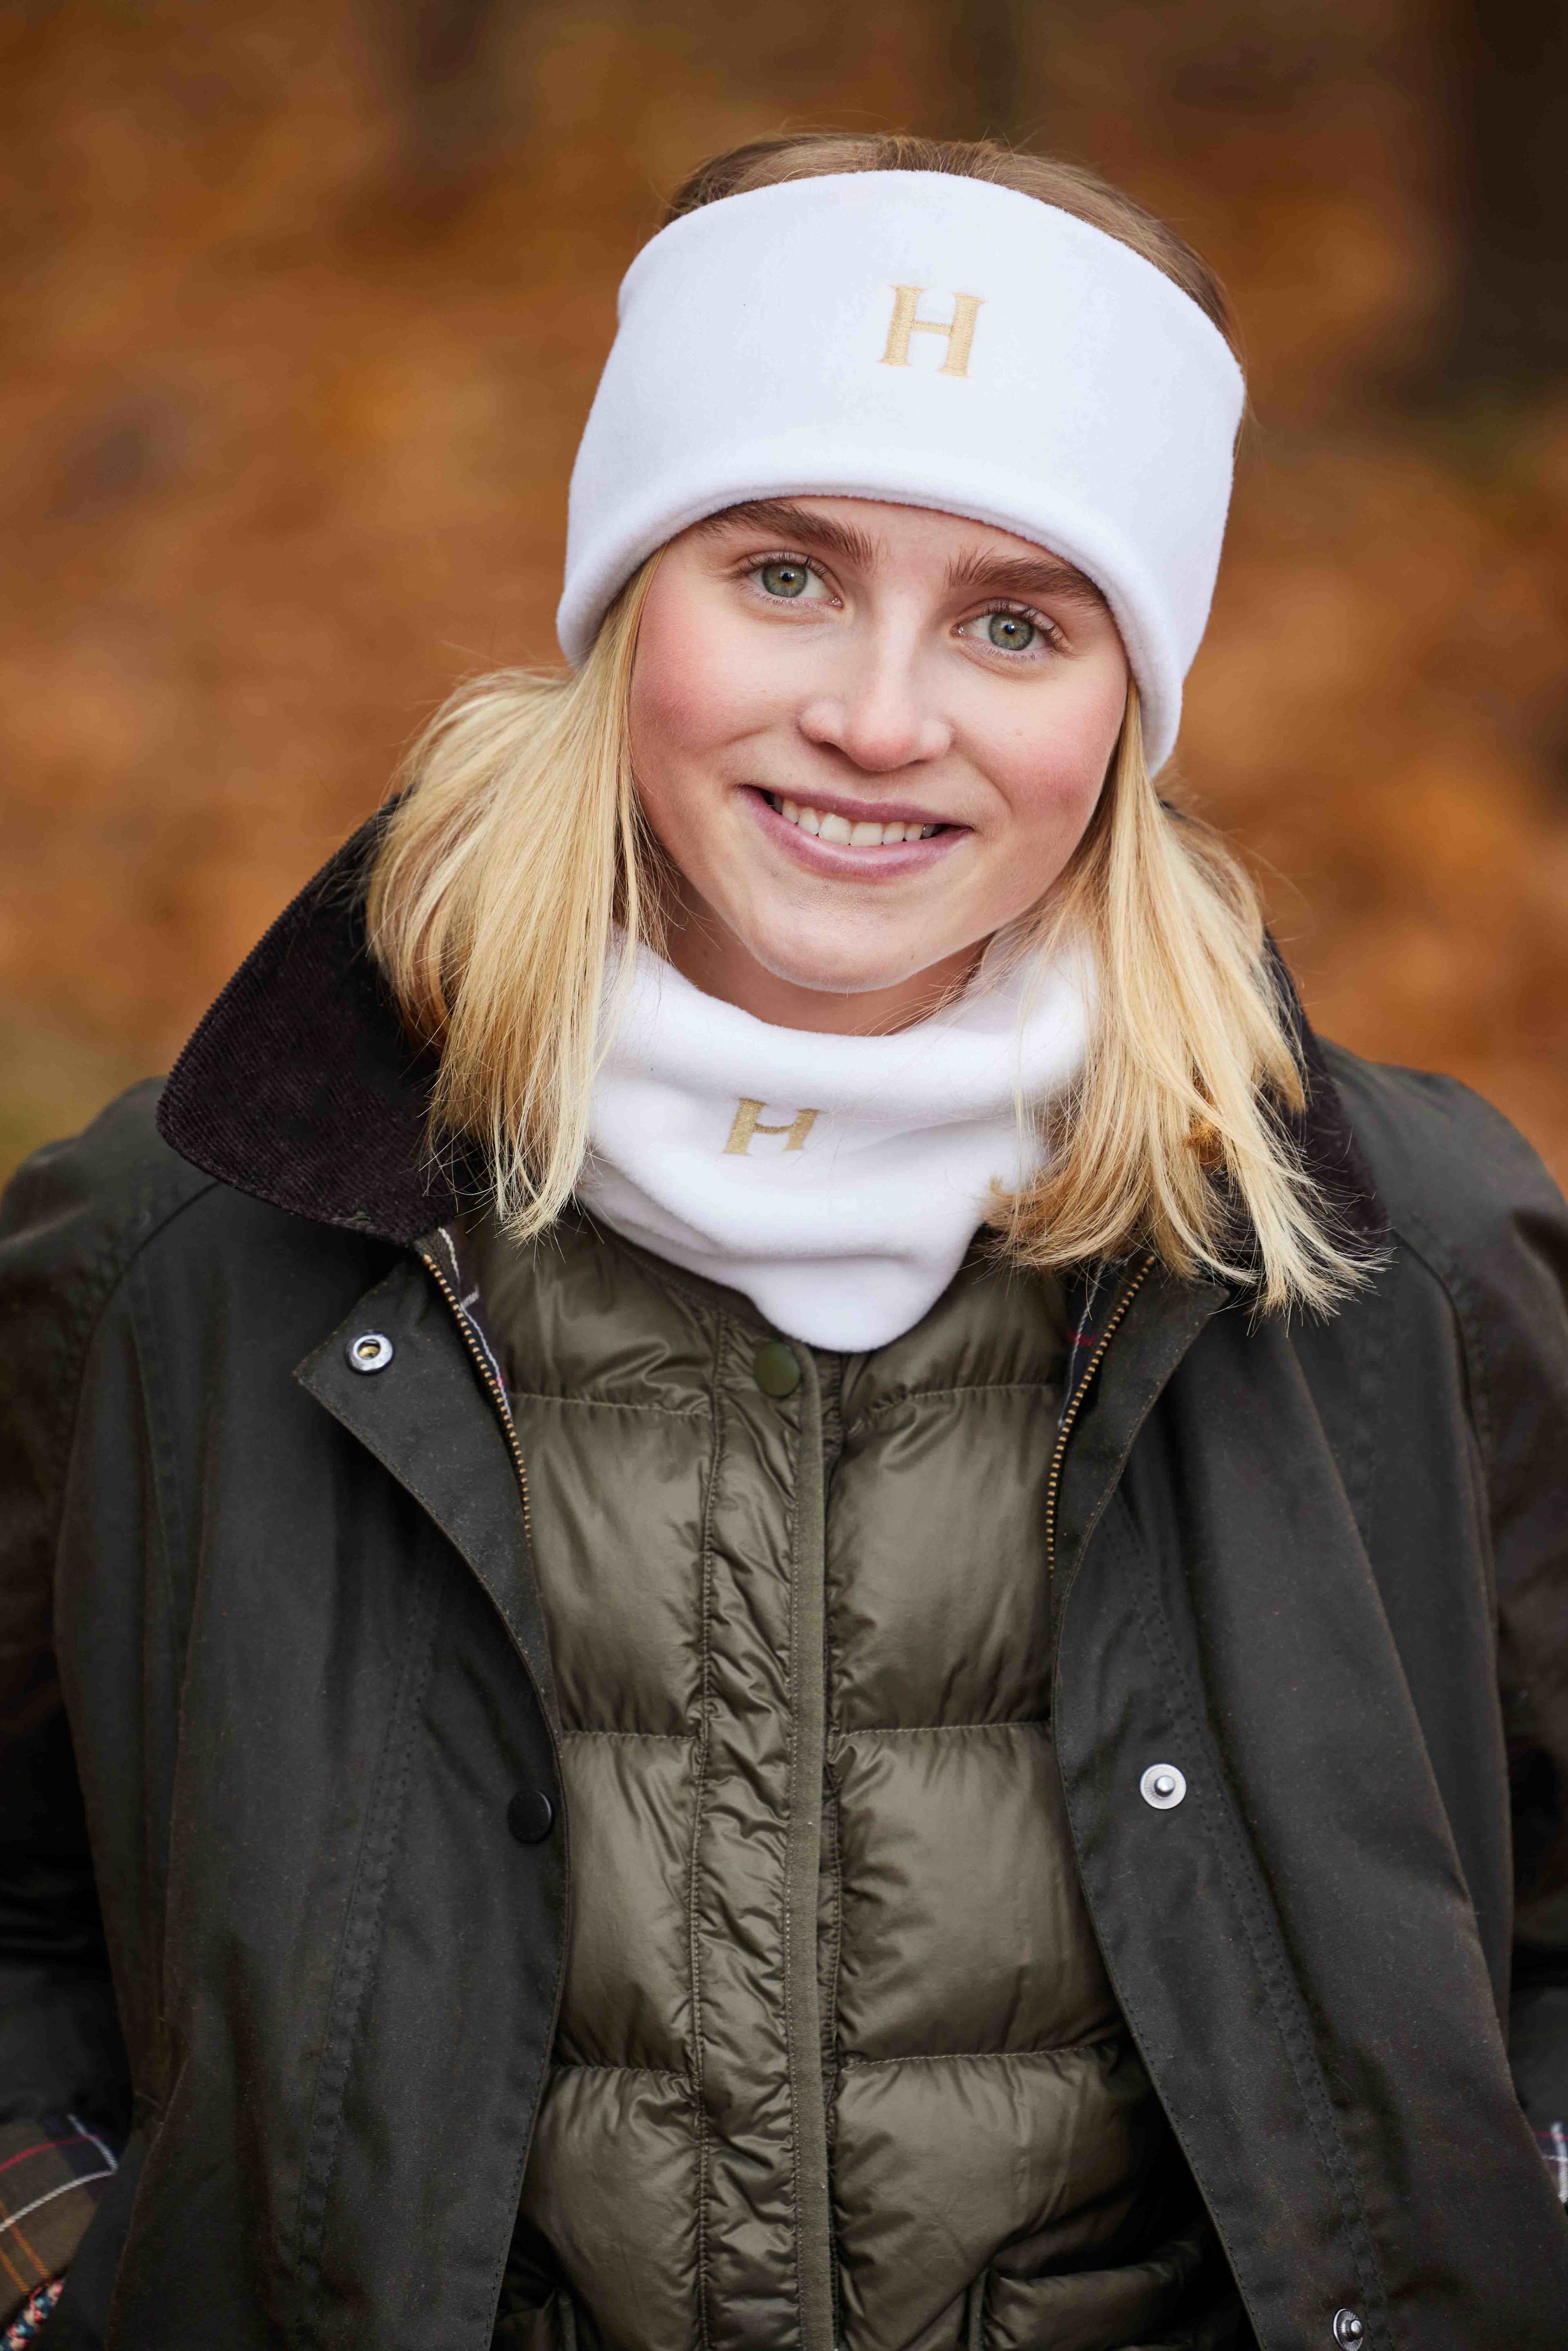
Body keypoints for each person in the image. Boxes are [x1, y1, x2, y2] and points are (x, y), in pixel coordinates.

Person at [1, 129, 1566, 2351]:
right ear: (629, 600)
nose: (879, 720)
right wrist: (50, 2271)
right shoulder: (185, 1245)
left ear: (1128, 706)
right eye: (786, 573)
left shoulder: (1398, 1260)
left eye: (1015, 622)